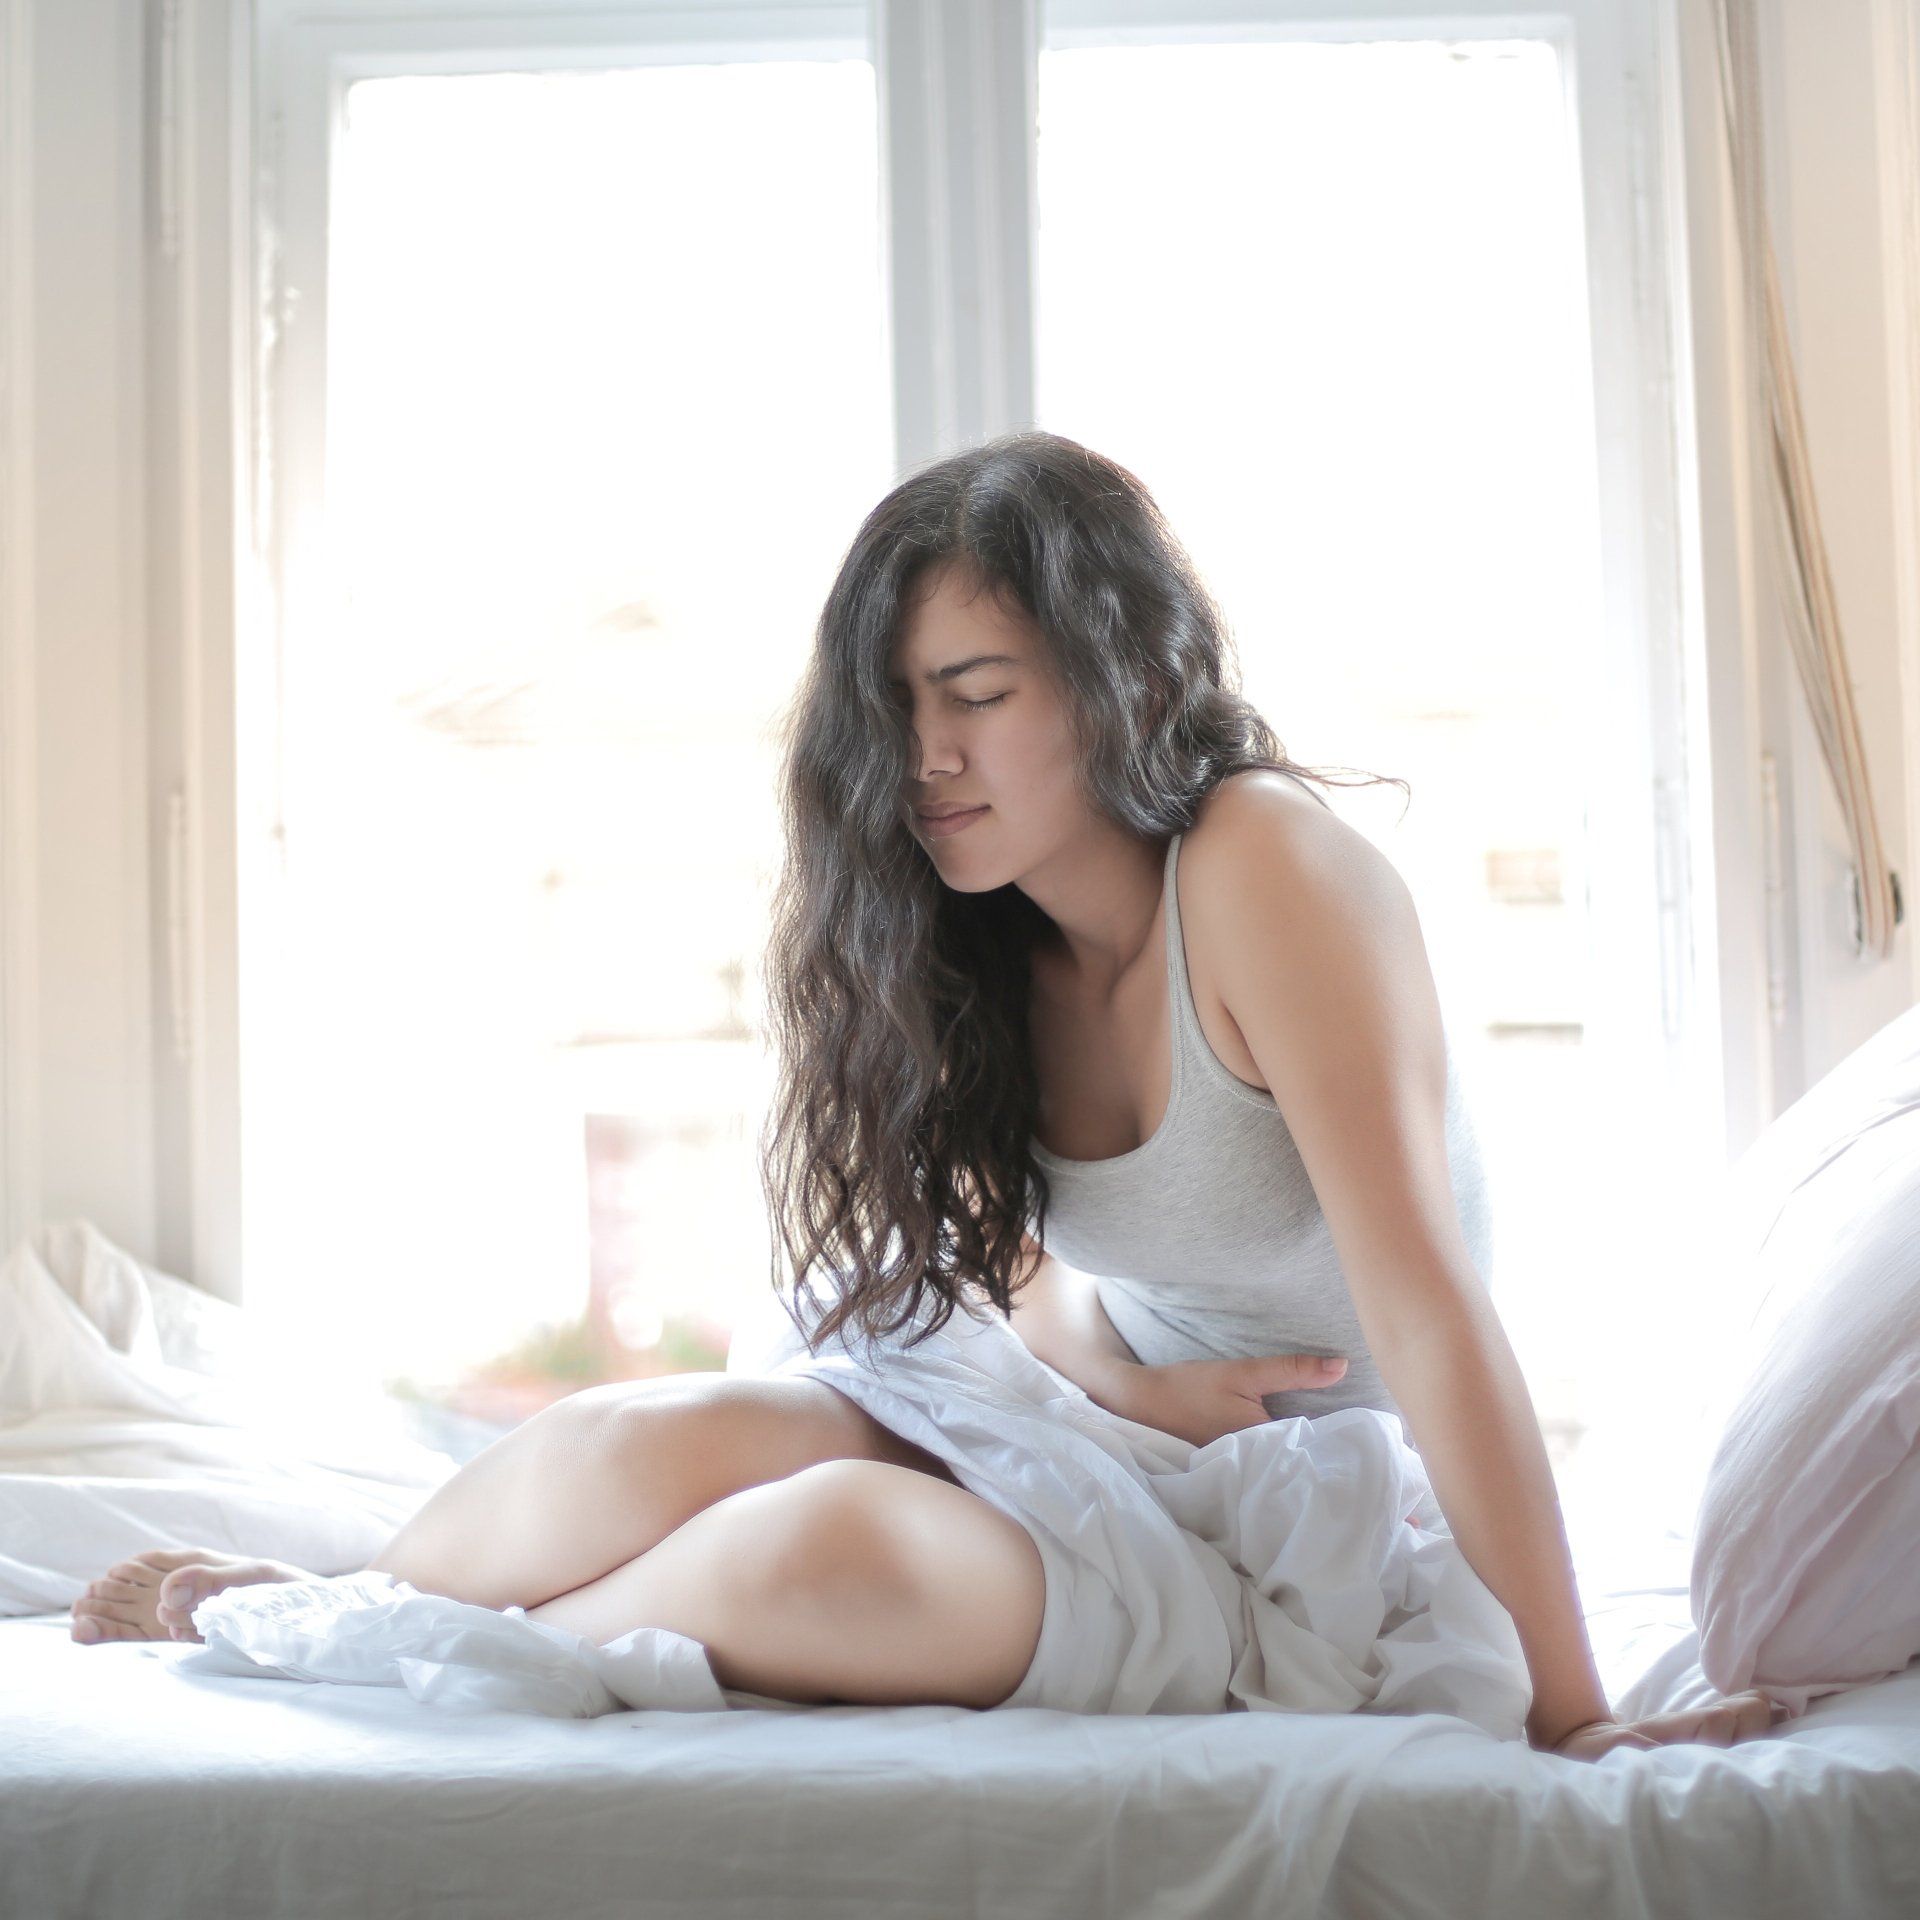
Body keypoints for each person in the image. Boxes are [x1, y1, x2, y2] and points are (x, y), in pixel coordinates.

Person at [70, 429, 1780, 1757]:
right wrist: (1121, 1372)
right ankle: (354, 1597)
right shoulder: (983, 938)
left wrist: (1573, 1705)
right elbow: (1019, 1282)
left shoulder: (1267, 872)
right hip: (1110, 1436)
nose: (927, 757)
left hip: (1304, 1525)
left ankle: (382, 1647)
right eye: (900, 709)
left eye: (977, 694)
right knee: (672, 1432)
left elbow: (1430, 1310)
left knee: (830, 1546)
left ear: (1127, 679)